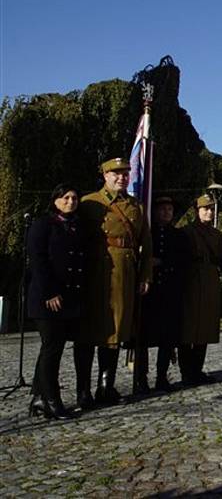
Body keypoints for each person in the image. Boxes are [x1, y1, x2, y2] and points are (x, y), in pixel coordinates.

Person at [77, 158, 152, 406]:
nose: (121, 178)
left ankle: (105, 386)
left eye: (125, 174)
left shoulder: (135, 206)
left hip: (124, 273)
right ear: (105, 176)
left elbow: (146, 244)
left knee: (115, 330)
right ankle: (83, 390)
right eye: (116, 174)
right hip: (95, 272)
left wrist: (144, 276)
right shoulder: (89, 203)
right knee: (88, 332)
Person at [27, 184, 85, 419]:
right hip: (47, 299)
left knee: (52, 348)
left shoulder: (75, 227)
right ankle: (52, 400)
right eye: (65, 198)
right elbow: (38, 261)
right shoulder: (43, 225)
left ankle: (39, 396)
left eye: (74, 198)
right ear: (55, 201)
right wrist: (49, 292)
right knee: (51, 349)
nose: (70, 202)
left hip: (68, 299)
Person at [137, 196, 189, 393]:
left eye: (169, 209)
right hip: (148, 293)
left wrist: (162, 263)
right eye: (162, 209)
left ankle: (161, 377)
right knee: (142, 338)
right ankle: (141, 378)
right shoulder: (146, 234)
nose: (166, 213)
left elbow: (183, 261)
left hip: (169, 292)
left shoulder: (178, 236)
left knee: (167, 339)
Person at [180, 194, 222, 385]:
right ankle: (186, 372)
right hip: (191, 282)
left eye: (212, 209)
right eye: (205, 209)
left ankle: (197, 370)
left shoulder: (217, 235)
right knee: (188, 330)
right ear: (197, 211)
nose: (209, 212)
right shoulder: (186, 232)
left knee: (205, 328)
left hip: (210, 282)